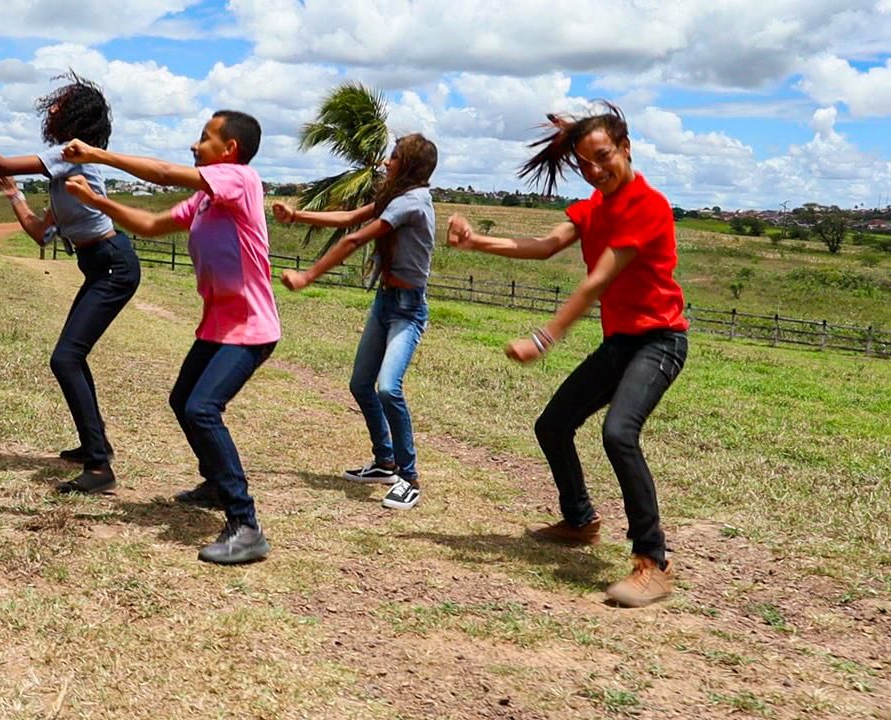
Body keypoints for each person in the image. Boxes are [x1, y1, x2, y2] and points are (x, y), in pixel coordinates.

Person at [447, 103, 688, 608]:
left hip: (660, 340)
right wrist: (476, 242)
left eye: (603, 157)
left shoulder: (648, 204)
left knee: (619, 433)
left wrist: (543, 338)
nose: (595, 171)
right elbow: (542, 245)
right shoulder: (594, 207)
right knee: (553, 425)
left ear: (626, 148)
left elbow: (597, 280)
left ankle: (654, 561)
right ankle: (580, 522)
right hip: (621, 342)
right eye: (584, 163)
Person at [60, 111, 279, 564]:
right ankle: (217, 482)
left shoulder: (240, 180)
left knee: (202, 409)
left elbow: (161, 174)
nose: (195, 146)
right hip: (219, 326)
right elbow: (150, 225)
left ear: (229, 149)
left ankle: (246, 524)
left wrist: (97, 154)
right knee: (183, 401)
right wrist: (98, 204)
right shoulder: (205, 202)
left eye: (205, 138)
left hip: (251, 327)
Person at [0, 74, 141, 494]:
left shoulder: (70, 156)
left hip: (113, 264)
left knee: (66, 358)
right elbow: (40, 234)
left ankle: (100, 467)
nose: (50, 109)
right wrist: (14, 196)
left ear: (75, 116)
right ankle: (93, 445)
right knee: (71, 356)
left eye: (59, 104)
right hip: (102, 265)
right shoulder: (66, 172)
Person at [273, 134, 438, 511]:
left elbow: (354, 239)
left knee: (387, 388)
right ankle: (385, 462)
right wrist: (297, 216)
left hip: (409, 309)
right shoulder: (394, 197)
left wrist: (307, 276)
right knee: (361, 384)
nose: (386, 162)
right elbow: (349, 219)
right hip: (385, 302)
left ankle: (408, 478)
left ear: (409, 165)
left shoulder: (412, 203)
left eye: (394, 157)